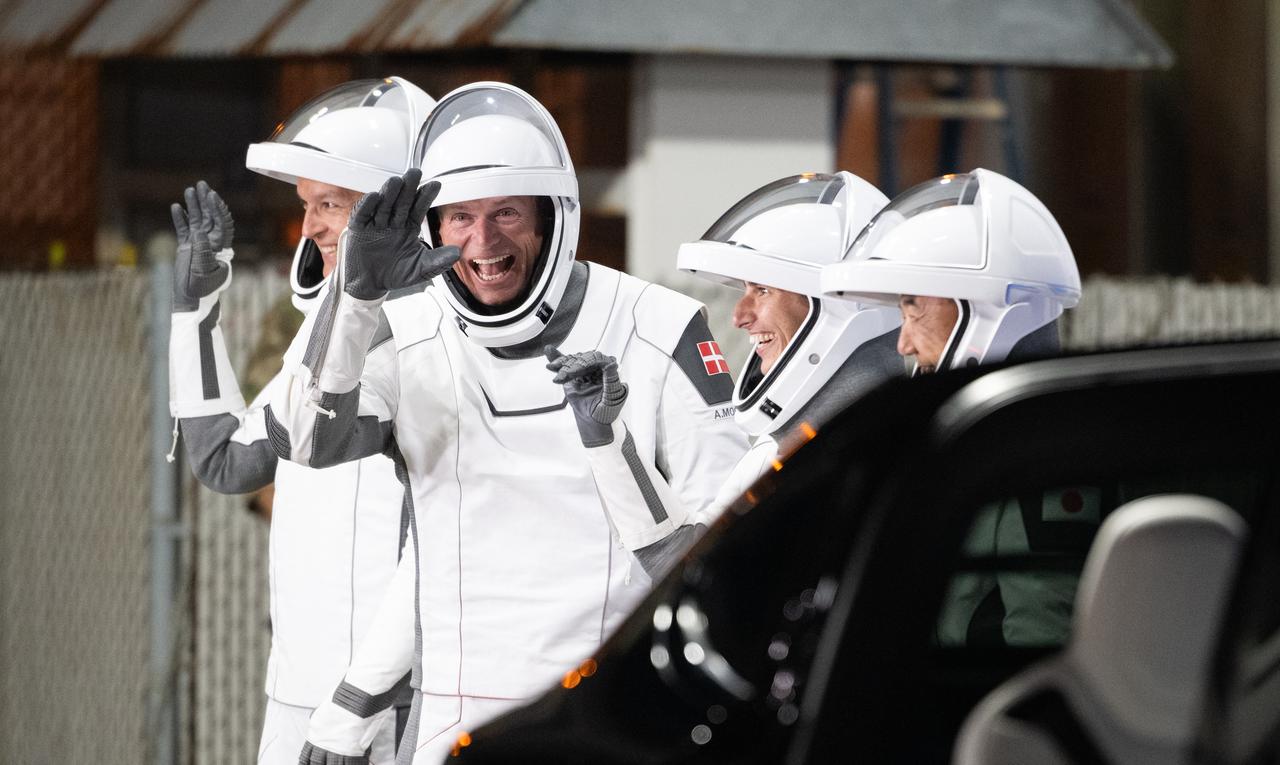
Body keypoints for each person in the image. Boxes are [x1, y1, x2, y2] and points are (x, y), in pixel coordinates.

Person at [264, 81, 748, 765]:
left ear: (552, 217)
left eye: (507, 214)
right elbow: (308, 441)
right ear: (431, 225)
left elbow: (725, 554)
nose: (482, 240)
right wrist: (356, 298)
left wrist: (612, 450)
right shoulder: (405, 330)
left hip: (612, 719)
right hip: (453, 723)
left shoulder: (660, 328)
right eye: (459, 216)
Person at [167, 76, 435, 764]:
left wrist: (360, 703)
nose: (310, 225)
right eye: (307, 204)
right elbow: (223, 460)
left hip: (392, 705)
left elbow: (445, 547)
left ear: (395, 208)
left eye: (329, 204)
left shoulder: (436, 339)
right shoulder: (326, 333)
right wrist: (196, 310)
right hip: (298, 691)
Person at [820, 167, 1091, 646]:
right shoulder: (979, 443)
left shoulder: (1035, 460)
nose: (902, 343)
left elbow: (1040, 643)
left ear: (984, 309)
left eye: (913, 307)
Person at [672, 172, 904, 520]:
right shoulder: (772, 449)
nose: (739, 317)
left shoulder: (892, 453)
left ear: (837, 305)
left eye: (762, 290)